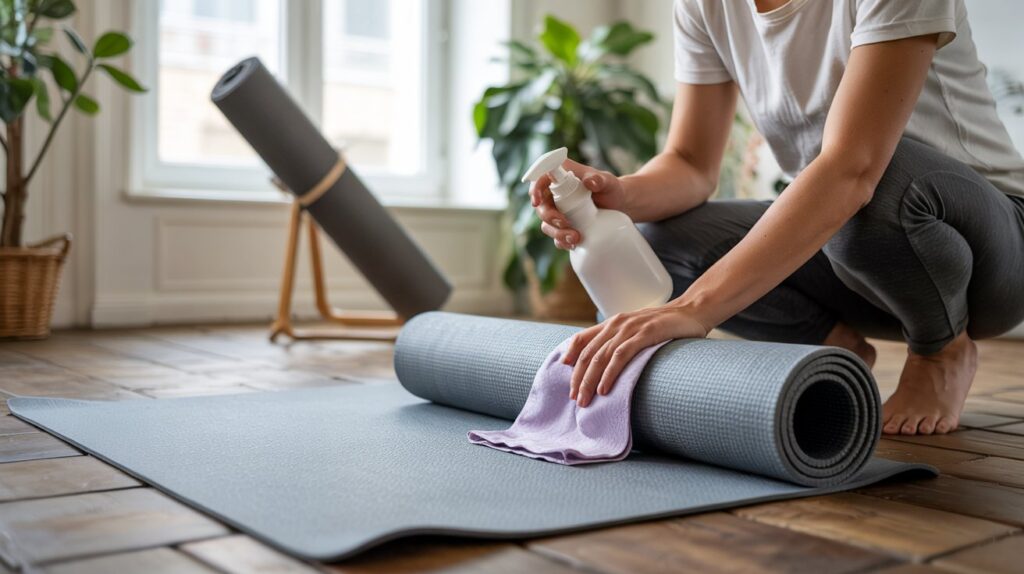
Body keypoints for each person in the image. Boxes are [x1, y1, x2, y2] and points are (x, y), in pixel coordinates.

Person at [530, 0, 1024, 435]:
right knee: (660, 241)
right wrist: (617, 195)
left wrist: (693, 309)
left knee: (861, 190)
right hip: (855, 250)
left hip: (988, 253)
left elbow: (853, 168)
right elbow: (691, 165)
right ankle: (837, 353)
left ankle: (941, 350)